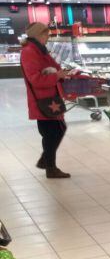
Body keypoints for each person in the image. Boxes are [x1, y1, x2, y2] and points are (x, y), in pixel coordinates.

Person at [20, 22, 71, 179]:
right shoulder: (30, 52)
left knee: (57, 130)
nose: (48, 38)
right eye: (46, 35)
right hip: (42, 100)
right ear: (37, 35)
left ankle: (46, 161)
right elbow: (35, 79)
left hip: (50, 98)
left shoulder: (40, 50)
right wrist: (57, 75)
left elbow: (53, 66)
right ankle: (50, 167)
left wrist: (61, 73)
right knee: (52, 133)